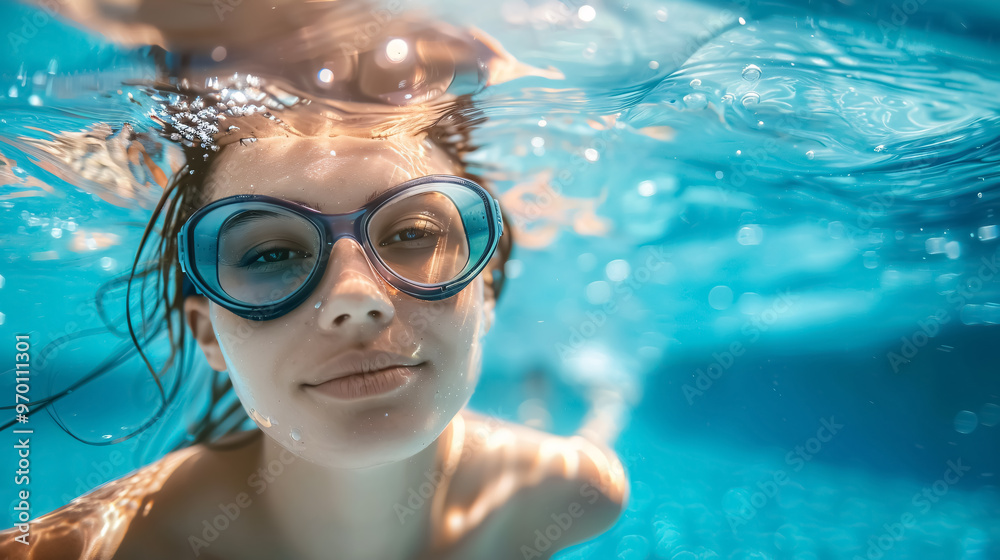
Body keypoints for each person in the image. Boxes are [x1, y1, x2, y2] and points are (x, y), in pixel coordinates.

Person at [0, 1, 629, 558]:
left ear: (484, 289)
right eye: (271, 255)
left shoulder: (572, 491)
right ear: (208, 335)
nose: (356, 299)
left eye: (411, 235)